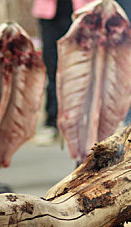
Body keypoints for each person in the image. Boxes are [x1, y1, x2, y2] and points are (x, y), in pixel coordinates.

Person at [32, 0, 94, 144]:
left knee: (80, 66)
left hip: (81, 11)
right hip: (50, 13)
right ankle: (52, 121)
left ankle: (78, 121)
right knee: (52, 66)